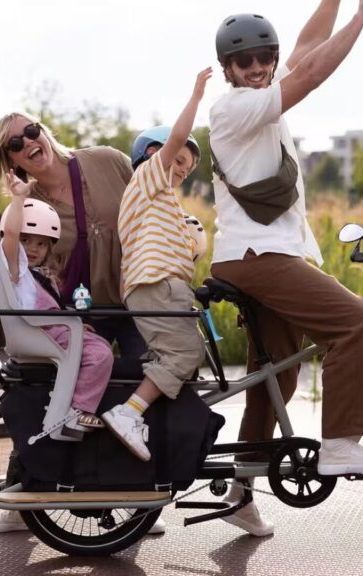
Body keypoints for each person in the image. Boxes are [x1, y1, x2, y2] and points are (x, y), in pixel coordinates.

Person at [208, 0, 363, 537]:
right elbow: (312, 72)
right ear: (228, 69)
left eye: (263, 58)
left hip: (265, 256)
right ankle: (339, 444)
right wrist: (362, 19)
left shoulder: (262, 99)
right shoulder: (234, 109)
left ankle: (240, 493)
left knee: (277, 381)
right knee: (354, 320)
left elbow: (303, 52)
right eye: (243, 62)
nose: (257, 68)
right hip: (259, 257)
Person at [0, 165, 166, 536]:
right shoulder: (17, 267)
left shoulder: (40, 275)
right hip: (42, 334)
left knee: (100, 349)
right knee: (102, 356)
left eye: (42, 243)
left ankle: (128, 489)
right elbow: (6, 235)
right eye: (29, 241)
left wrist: (75, 322)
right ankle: (77, 413)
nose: (34, 248)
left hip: (54, 329)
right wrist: (18, 198)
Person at [101, 68, 213, 462]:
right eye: (179, 160)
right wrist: (197, 96)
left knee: (182, 354)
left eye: (186, 168)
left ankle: (145, 416)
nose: (182, 170)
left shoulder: (157, 202)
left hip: (159, 285)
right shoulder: (149, 177)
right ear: (153, 153)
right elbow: (177, 137)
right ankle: (128, 412)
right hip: (157, 284)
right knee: (185, 355)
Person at [0, 111, 147, 376]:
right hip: (80, 315)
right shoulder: (28, 204)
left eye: (32, 131)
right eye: (15, 144)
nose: (28, 142)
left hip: (138, 302)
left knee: (151, 374)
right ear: (10, 161)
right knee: (81, 385)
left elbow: (155, 197)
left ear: (43, 132)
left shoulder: (107, 160)